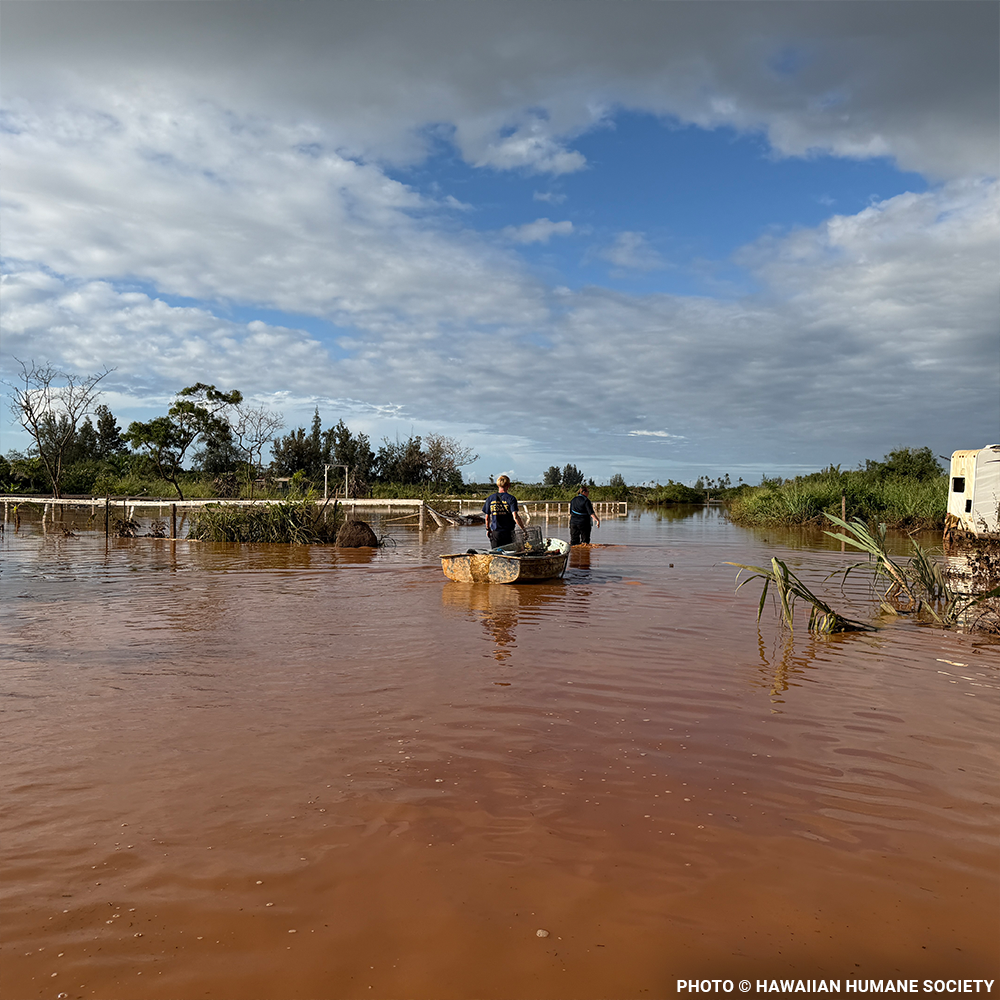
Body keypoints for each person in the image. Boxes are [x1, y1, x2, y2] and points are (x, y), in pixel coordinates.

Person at [482, 475, 526, 549]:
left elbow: (487, 518)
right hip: (509, 533)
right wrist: (523, 529)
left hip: (496, 533)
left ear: (497, 485)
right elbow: (515, 517)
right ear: (508, 485)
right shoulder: (511, 499)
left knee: (496, 555)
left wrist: (488, 529)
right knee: (509, 556)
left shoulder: (490, 498)